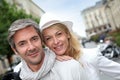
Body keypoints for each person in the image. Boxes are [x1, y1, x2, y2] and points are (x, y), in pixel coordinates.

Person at [40, 13, 120, 80]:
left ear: (67, 34)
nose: (56, 41)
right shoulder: (47, 65)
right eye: (48, 38)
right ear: (45, 43)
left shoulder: (90, 56)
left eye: (59, 34)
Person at [2, 19, 85, 80]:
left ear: (41, 40)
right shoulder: (17, 76)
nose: (31, 47)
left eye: (34, 39)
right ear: (15, 50)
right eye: (22, 44)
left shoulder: (71, 67)